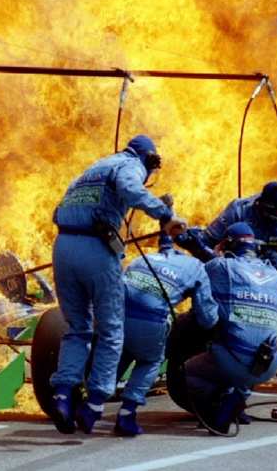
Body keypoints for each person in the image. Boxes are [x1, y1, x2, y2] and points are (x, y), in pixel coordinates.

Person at [49, 134, 186, 434]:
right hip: (95, 249)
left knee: (77, 328)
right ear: (148, 160)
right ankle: (95, 404)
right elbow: (130, 189)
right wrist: (166, 216)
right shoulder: (131, 165)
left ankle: (62, 395)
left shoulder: (93, 169)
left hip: (63, 246)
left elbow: (56, 212)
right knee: (112, 330)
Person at [115, 225, 218, 436]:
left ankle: (90, 403)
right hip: (149, 321)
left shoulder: (141, 259)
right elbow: (207, 318)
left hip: (116, 316)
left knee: (118, 354)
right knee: (151, 360)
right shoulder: (197, 267)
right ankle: (127, 414)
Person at [185, 223, 277, 434]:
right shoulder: (276, 275)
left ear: (228, 243)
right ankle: (238, 397)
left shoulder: (222, 266)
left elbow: (205, 314)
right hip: (269, 361)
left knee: (192, 371)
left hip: (236, 358)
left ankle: (217, 413)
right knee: (246, 349)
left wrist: (195, 244)